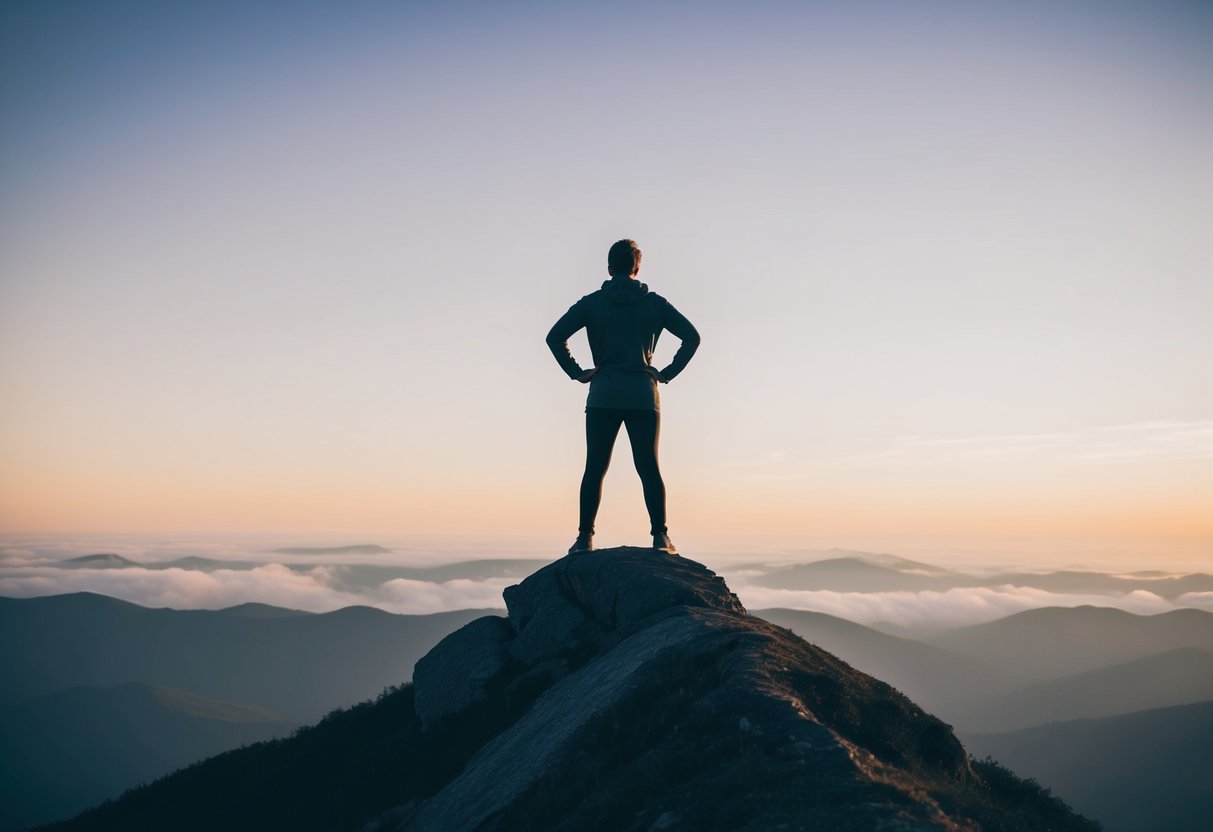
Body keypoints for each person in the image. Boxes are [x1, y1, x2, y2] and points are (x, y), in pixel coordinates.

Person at [546, 239, 700, 555]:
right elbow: (692, 337)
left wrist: (577, 372)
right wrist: (666, 373)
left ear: (609, 267)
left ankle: (584, 538)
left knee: (595, 467)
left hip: (603, 394)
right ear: (637, 268)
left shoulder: (591, 303)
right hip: (643, 396)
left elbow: (554, 337)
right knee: (648, 467)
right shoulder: (656, 304)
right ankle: (660, 538)